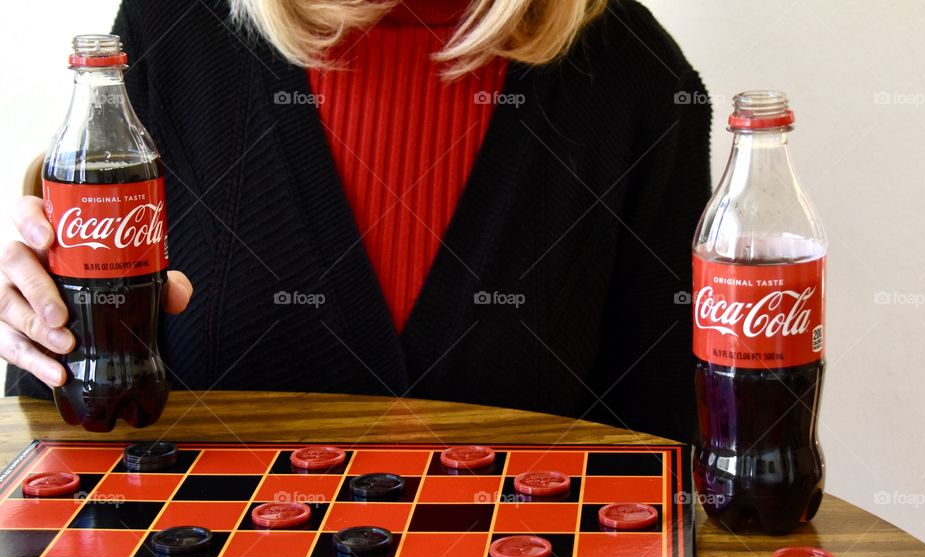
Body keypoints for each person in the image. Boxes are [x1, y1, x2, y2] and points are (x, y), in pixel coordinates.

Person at [2, 0, 710, 442]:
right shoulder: (171, 32)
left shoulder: (637, 81)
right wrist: (42, 315)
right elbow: (64, 441)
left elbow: (658, 462)